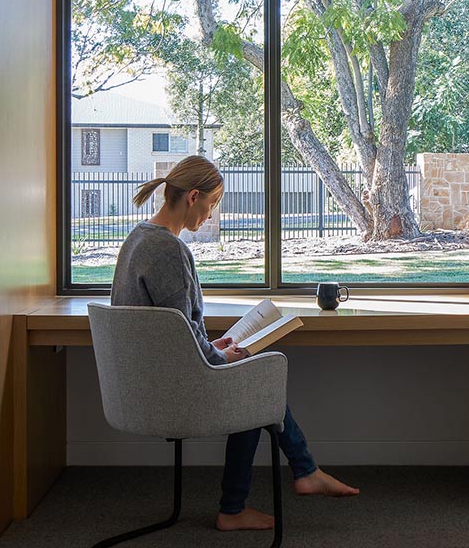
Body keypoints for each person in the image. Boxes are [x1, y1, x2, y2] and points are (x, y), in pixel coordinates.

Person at [110, 155, 359, 532]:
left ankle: (300, 474)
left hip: (143, 383)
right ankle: (264, 492)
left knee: (249, 375)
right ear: (193, 197)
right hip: (167, 391)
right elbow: (179, 341)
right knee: (257, 384)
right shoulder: (169, 251)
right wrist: (216, 354)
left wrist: (215, 347)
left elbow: (170, 330)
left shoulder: (138, 239)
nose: (209, 216)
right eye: (211, 205)